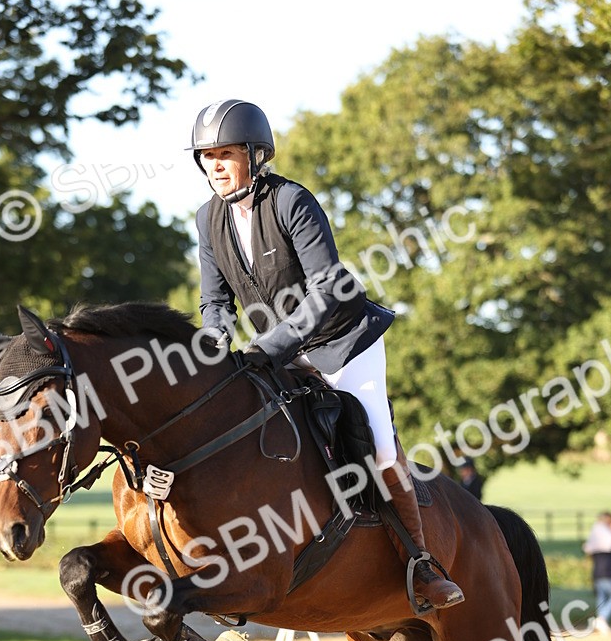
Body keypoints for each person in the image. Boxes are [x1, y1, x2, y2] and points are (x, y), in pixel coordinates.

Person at [189, 98, 463, 612]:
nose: (216, 166)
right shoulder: (208, 220)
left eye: (225, 154)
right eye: (207, 156)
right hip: (278, 352)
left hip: (342, 343)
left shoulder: (292, 201)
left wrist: (267, 347)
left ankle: (422, 565)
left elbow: (328, 288)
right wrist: (214, 342)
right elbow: (214, 300)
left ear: (255, 153)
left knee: (379, 448)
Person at [582, 511, 611, 634]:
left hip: (597, 571)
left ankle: (601, 622)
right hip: (609, 570)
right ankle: (602, 619)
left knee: (602, 597)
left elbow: (588, 549)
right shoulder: (608, 535)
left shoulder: (594, 535)